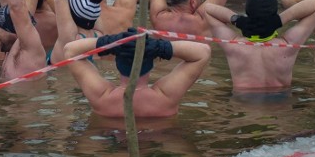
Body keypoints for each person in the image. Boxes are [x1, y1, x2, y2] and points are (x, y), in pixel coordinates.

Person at [62, 32, 211, 118]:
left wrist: (109, 42)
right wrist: (160, 47)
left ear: (117, 63)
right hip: (160, 143)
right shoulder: (166, 97)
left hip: (111, 147)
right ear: (152, 62)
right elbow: (203, 52)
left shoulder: (102, 97)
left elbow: (70, 50)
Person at [204, 0, 315, 93]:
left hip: (245, 107)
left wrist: (240, 21)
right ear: (274, 13)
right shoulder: (288, 45)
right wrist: (279, 20)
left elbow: (208, 9)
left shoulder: (233, 45)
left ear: (248, 13)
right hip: (280, 107)